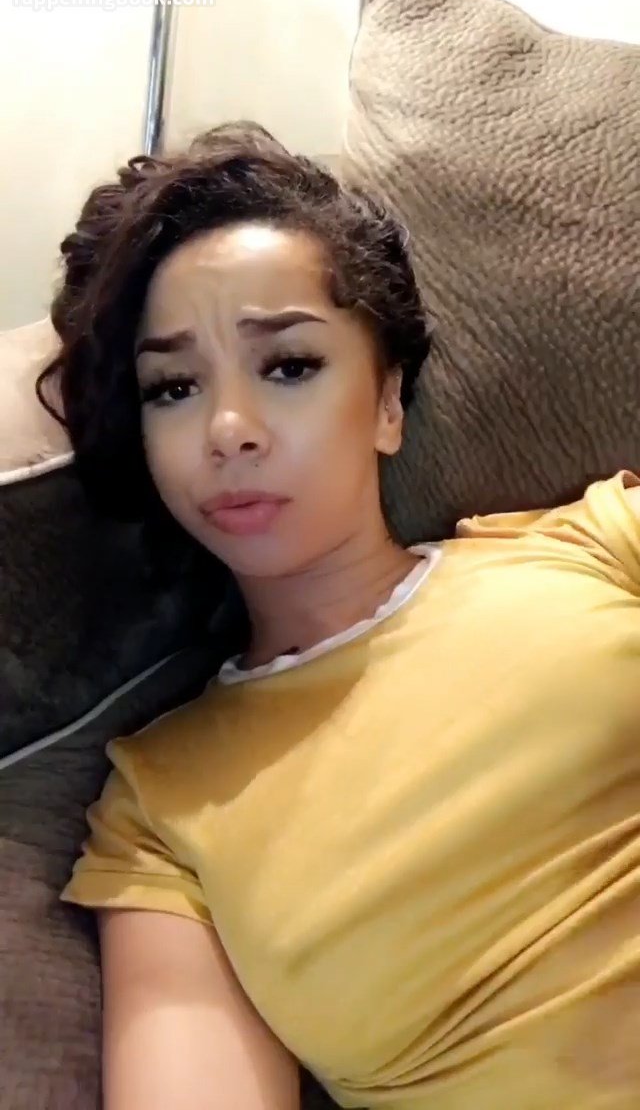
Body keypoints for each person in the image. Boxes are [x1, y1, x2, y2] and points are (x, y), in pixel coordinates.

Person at [37, 122, 640, 1110]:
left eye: (288, 366)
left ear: (387, 401)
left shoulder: (592, 545)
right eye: (174, 387)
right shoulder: (161, 811)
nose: (229, 430)